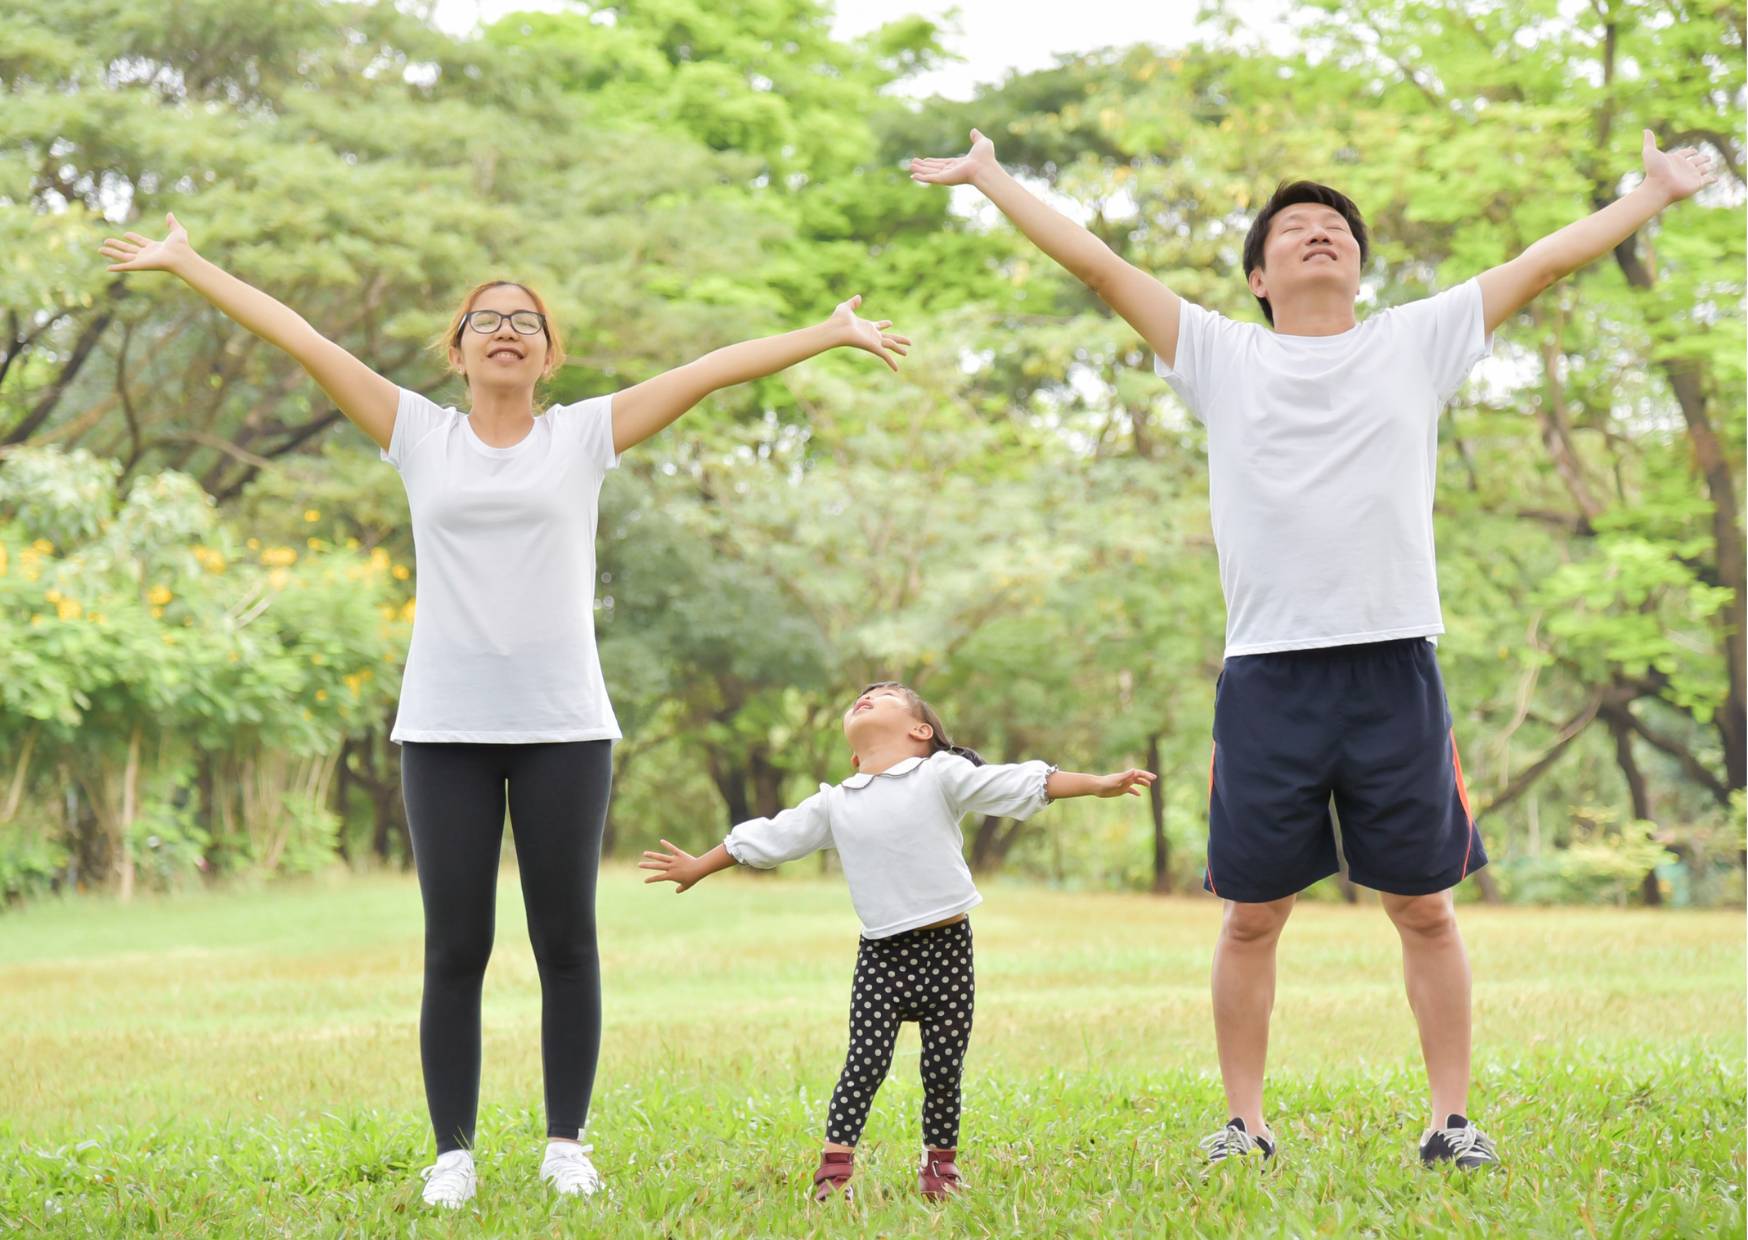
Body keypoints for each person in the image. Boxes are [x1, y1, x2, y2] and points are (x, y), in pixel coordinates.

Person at [910, 125, 1717, 1170]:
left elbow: (1545, 260)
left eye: (1332, 226)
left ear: (1358, 263)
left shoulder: (1414, 340)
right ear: (1257, 276)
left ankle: (1449, 1121)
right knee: (1251, 916)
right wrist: (989, 178)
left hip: (1392, 668)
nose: (1316, 233)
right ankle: (1242, 1123)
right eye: (1291, 229)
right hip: (1269, 674)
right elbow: (1096, 265)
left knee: (1422, 907)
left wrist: (1647, 196)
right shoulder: (1215, 352)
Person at [99, 216, 911, 1207]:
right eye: (485, 318)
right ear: (458, 349)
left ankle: (565, 1142)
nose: (505, 329)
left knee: (566, 938)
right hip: (442, 728)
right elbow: (303, 338)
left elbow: (708, 370)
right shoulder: (416, 435)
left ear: (546, 352)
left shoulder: (581, 436)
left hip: (565, 726)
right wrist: (188, 262)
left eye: (525, 320)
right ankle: (453, 1153)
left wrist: (825, 333)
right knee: (456, 944)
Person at [639, 681, 1155, 1201]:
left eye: (883, 694)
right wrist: (700, 865)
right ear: (853, 752)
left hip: (949, 950)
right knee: (864, 1063)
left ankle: (940, 1169)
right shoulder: (837, 803)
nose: (866, 696)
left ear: (920, 730)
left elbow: (1015, 783)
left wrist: (1096, 783)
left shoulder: (941, 774)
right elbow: (774, 834)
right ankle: (834, 1170)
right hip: (882, 957)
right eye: (860, 696)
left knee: (943, 1068)